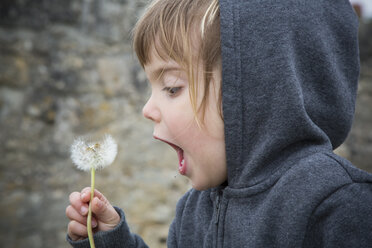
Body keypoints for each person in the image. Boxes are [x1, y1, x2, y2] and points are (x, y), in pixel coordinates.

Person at [66, 0, 372, 247]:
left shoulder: (340, 206)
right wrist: (111, 241)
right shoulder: (194, 211)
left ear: (257, 90)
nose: (147, 109)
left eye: (172, 87)